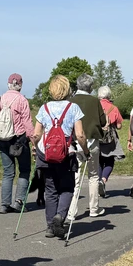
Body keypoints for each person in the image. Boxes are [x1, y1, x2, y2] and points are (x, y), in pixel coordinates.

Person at [32, 75, 89, 237]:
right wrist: (85, 151)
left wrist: (35, 148)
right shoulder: (73, 108)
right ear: (67, 89)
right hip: (65, 153)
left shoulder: (44, 108)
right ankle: (60, 216)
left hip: (46, 153)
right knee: (67, 187)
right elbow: (80, 135)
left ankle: (50, 227)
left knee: (50, 190)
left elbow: (36, 134)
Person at [66, 74, 107, 222]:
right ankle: (94, 209)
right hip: (92, 142)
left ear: (77, 85)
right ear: (90, 87)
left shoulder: (70, 101)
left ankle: (71, 211)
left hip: (74, 142)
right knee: (94, 175)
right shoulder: (95, 101)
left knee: (75, 177)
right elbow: (102, 121)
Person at [0, 73, 33, 214]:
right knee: (25, 170)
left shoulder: (0, 99)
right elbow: (27, 123)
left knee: (8, 172)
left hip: (2, 139)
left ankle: (4, 204)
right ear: (20, 85)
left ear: (8, 84)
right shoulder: (22, 100)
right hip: (18, 140)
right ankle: (19, 202)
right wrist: (34, 140)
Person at [96, 86, 125, 197]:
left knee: (98, 161)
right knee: (109, 161)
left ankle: (98, 182)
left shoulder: (95, 107)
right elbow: (119, 125)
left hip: (97, 137)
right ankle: (103, 180)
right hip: (110, 139)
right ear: (109, 95)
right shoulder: (114, 108)